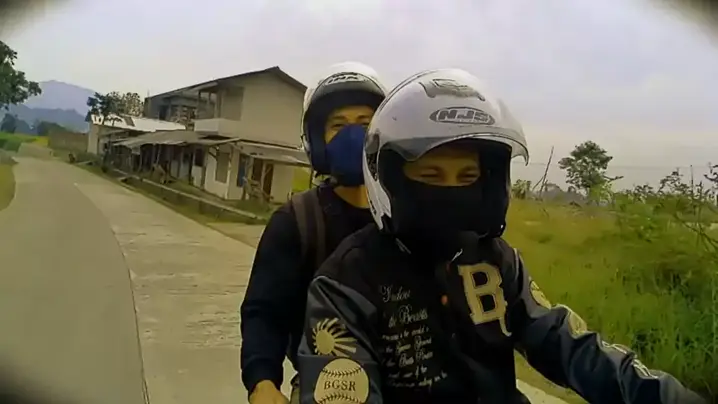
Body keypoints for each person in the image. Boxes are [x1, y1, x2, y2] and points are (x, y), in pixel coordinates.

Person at [296, 68, 706, 404]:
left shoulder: (496, 260)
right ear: (388, 178)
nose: (451, 190)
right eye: (432, 174)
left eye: (467, 177)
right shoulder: (344, 285)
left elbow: (567, 344)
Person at [240, 62, 387, 404]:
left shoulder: (405, 214)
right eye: (338, 125)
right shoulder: (298, 220)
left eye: (365, 124)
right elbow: (265, 311)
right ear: (318, 140)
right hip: (325, 384)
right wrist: (262, 381)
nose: (353, 135)